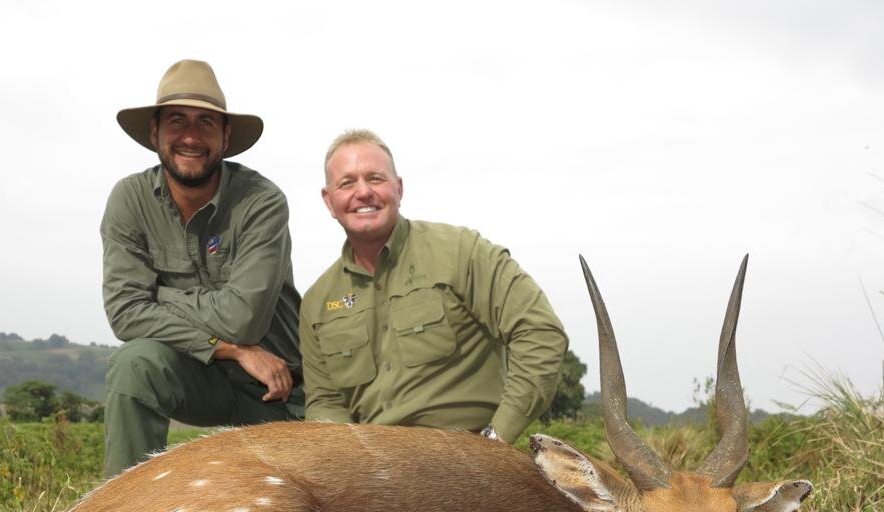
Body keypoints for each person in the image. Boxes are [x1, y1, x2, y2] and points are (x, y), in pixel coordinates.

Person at [101, 60, 303, 477]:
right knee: (135, 363)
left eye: (205, 123)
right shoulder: (129, 199)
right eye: (177, 121)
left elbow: (242, 318)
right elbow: (124, 314)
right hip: (197, 375)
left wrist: (158, 297)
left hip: (276, 385)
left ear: (225, 137)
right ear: (155, 132)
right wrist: (229, 348)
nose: (190, 136)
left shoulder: (262, 202)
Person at [300, 130, 567, 443]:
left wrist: (495, 439)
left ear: (398, 189)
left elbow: (540, 332)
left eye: (375, 178)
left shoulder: (461, 251)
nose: (363, 192)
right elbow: (324, 401)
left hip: (467, 456)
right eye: (347, 183)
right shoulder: (317, 301)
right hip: (372, 468)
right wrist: (353, 459)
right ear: (329, 200)